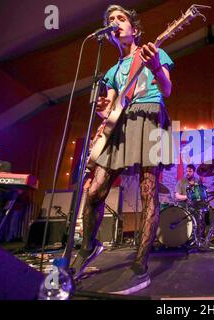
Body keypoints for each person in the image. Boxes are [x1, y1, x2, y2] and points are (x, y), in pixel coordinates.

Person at [71, 4, 174, 295]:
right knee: (94, 191)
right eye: (111, 20)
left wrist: (155, 69)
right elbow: (111, 109)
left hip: (150, 115)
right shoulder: (112, 70)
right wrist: (104, 109)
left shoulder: (153, 52)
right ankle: (89, 246)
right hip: (120, 126)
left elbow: (166, 89)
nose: (115, 23)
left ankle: (140, 268)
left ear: (134, 29)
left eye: (121, 19)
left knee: (148, 190)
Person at [175, 164, 208, 242]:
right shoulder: (181, 181)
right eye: (186, 171)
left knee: (201, 217)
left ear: (194, 172)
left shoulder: (198, 181)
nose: (188, 173)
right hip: (185, 205)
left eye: (190, 171)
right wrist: (187, 197)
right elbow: (177, 196)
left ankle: (199, 238)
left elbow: (201, 194)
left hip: (196, 205)